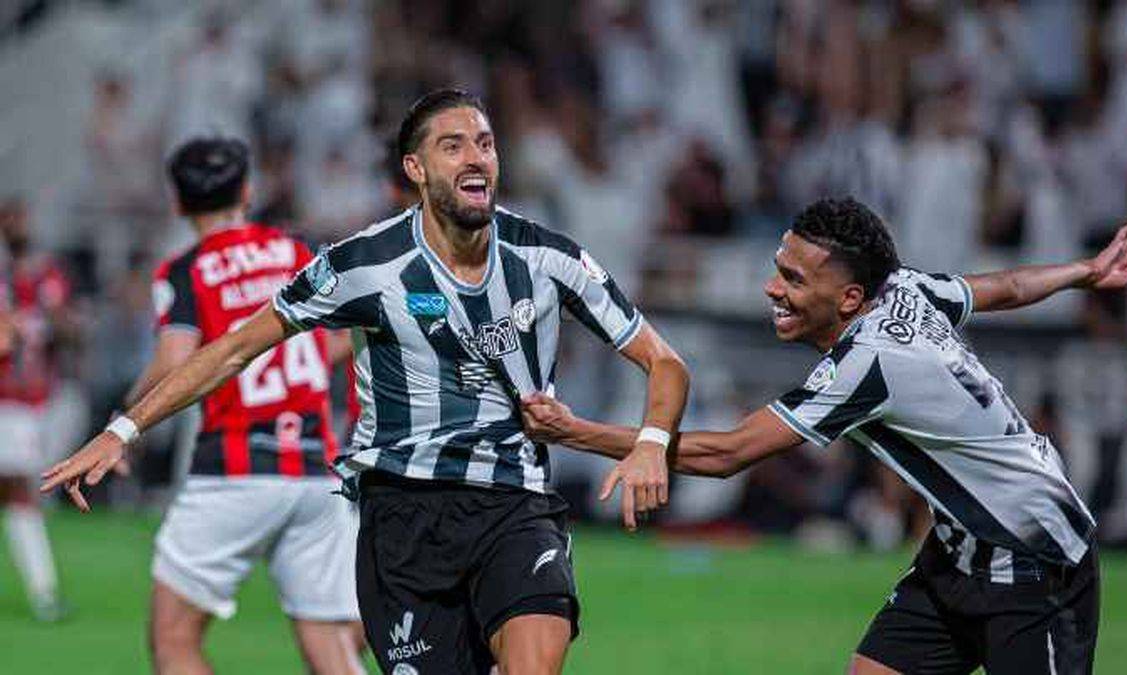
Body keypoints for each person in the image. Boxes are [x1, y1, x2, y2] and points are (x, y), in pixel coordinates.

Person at [44, 89, 689, 675]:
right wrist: (122, 430)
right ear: (416, 169)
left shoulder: (548, 257)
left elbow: (664, 361)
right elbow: (234, 350)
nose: (475, 158)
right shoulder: (363, 265)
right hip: (403, 518)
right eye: (453, 145)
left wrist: (652, 441)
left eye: (485, 143)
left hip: (513, 503)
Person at [521, 197, 1127, 675]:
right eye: (779, 268)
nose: (773, 289)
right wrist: (1084, 272)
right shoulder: (905, 288)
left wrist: (577, 432)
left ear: (851, 298)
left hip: (1035, 559)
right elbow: (1002, 286)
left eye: (794, 280)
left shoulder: (869, 364)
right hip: (960, 550)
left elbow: (728, 453)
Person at [111, 137, 363, 674]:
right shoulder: (299, 251)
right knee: (330, 644)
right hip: (315, 470)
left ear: (177, 202)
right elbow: (340, 341)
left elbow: (175, 360)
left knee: (174, 640)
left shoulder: (187, 269)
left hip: (235, 468)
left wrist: (124, 417)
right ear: (247, 191)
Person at [0, 197, 74, 621]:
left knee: (17, 492)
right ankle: (43, 592)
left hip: (34, 401)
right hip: (8, 403)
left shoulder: (46, 276)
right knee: (20, 491)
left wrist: (57, 319)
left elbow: (67, 330)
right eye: (13, 219)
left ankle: (44, 590)